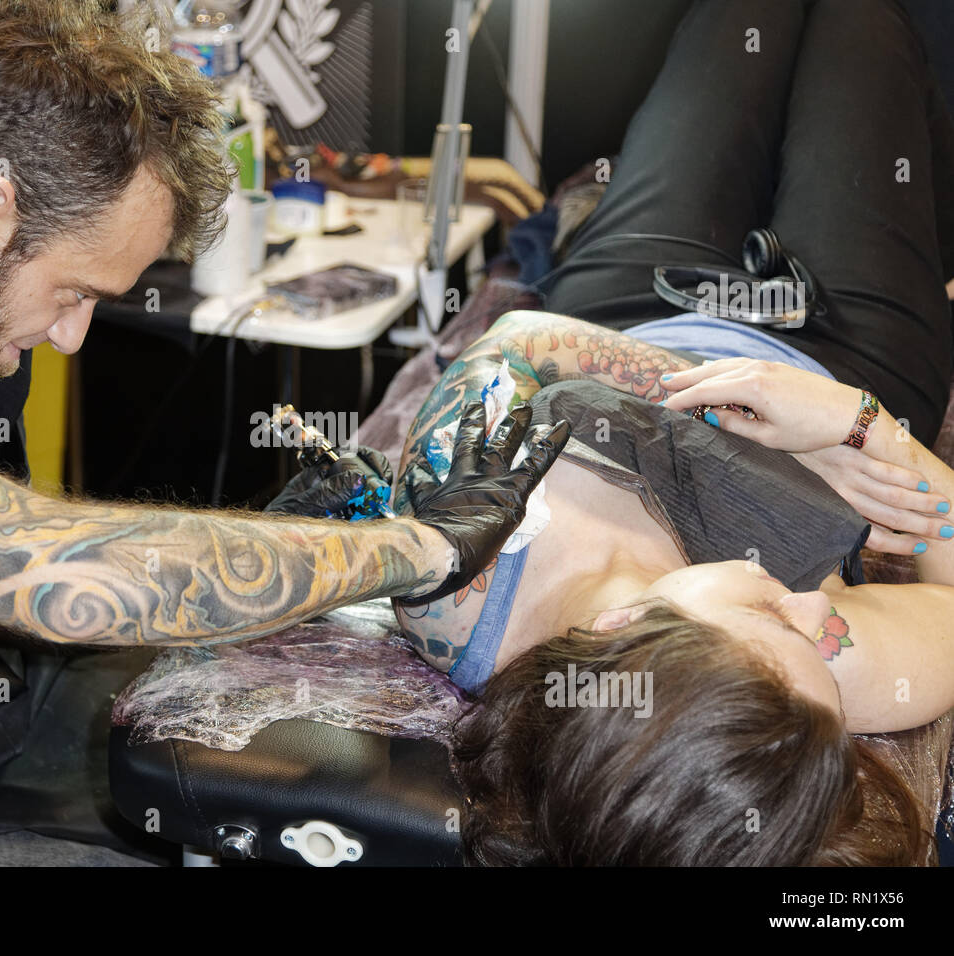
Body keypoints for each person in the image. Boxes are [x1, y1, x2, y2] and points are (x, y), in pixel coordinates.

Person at [0, 0, 561, 855]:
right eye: (76, 291)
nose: (73, 335)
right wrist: (422, 549)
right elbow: (36, 567)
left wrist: (288, 541)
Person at [278, 0, 954, 865]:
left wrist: (727, 404)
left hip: (639, 308)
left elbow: (519, 350)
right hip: (850, 353)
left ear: (619, 628)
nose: (819, 610)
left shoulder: (463, 585)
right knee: (865, 28)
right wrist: (868, 429)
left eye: (775, 612)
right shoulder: (799, 683)